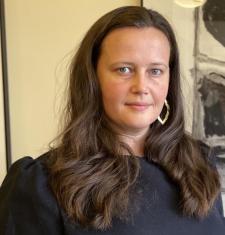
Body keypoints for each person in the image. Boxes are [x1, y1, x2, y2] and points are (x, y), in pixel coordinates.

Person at [0, 6, 224, 235]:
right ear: (92, 78)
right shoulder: (40, 183)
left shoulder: (200, 164)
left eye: (155, 71)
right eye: (124, 69)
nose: (142, 87)